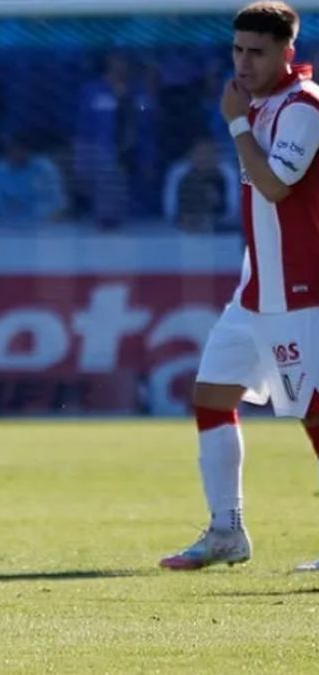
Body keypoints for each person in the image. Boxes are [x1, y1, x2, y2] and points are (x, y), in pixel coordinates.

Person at [159, 2, 319, 572]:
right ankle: (227, 531)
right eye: (237, 50)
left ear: (286, 53)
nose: (244, 62)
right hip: (257, 288)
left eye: (257, 52)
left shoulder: (303, 107)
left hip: (299, 290)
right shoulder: (261, 104)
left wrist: (235, 124)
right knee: (211, 397)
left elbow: (275, 186)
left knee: (315, 415)